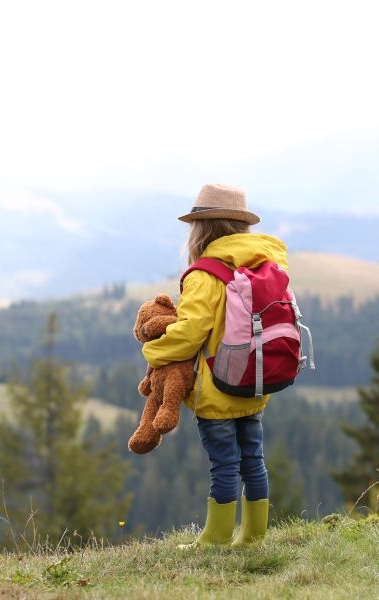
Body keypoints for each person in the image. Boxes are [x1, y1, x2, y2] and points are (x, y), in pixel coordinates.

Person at [142, 183, 290, 548]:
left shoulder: (204, 274)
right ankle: (254, 536)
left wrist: (153, 353)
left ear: (201, 229)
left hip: (218, 387)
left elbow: (191, 332)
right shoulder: (265, 265)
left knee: (224, 464)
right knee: (253, 458)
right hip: (256, 382)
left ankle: (216, 539)